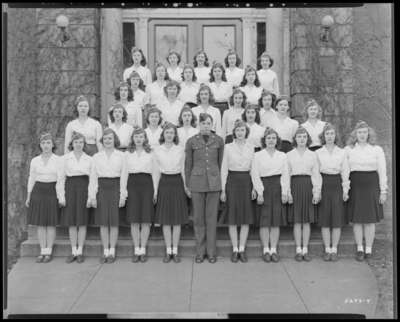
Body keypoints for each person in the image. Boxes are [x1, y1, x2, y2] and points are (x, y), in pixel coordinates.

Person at [344, 121, 387, 261]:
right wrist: (346, 189)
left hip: (371, 186)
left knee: (369, 220)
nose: (362, 135)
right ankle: (359, 249)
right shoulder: (348, 149)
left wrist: (383, 191)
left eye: (364, 132)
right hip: (355, 185)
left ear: (369, 133)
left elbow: (382, 171)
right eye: (359, 132)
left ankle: (368, 249)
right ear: (355, 134)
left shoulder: (376, 149)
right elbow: (345, 172)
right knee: (357, 220)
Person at [185, 113, 224, 264]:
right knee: (199, 220)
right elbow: (188, 165)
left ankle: (212, 252)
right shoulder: (191, 141)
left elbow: (222, 164)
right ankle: (200, 253)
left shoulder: (219, 141)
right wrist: (188, 185)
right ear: (199, 125)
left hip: (214, 183)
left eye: (208, 123)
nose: (206, 126)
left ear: (212, 124)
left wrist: (222, 185)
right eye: (203, 123)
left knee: (211, 219)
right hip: (197, 183)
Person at [219, 119, 256, 263]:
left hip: (246, 180)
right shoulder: (228, 147)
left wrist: (254, 187)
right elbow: (224, 169)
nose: (240, 133)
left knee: (245, 217)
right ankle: (235, 249)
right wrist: (223, 189)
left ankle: (242, 249)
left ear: (246, 132)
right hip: (232, 181)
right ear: (234, 132)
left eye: (242, 130)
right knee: (233, 218)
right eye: (238, 130)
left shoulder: (251, 147)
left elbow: (254, 168)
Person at [252, 127, 289, 263]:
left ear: (277, 140)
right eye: (269, 138)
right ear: (264, 140)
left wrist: (284, 192)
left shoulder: (282, 155)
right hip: (264, 187)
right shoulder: (258, 155)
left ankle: (273, 250)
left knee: (275, 222)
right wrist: (260, 192)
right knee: (265, 221)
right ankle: (266, 249)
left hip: (277, 187)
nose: (271, 140)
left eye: (274, 138)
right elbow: (255, 174)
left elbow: (285, 174)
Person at [121, 126, 158, 263]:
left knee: (146, 219)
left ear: (145, 138)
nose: (138, 139)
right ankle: (136, 249)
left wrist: (155, 190)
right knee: (135, 219)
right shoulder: (127, 153)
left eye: (141, 136)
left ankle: (143, 249)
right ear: (132, 139)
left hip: (147, 184)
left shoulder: (151, 153)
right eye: (136, 137)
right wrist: (123, 193)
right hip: (133, 184)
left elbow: (155, 172)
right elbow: (124, 173)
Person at [153, 122, 189, 263]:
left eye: (171, 133)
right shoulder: (157, 150)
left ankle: (176, 250)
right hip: (164, 183)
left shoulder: (180, 150)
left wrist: (186, 187)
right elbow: (155, 172)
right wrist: (156, 191)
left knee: (177, 220)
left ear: (175, 135)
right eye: (166, 132)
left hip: (177, 183)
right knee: (166, 220)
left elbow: (183, 171)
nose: (169, 135)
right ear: (163, 135)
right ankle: (168, 251)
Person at [89, 128, 125, 264]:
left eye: (110, 138)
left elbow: (124, 177)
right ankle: (105, 250)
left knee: (114, 222)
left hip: (115, 187)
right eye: (105, 139)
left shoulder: (122, 156)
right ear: (102, 141)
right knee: (104, 222)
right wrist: (92, 196)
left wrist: (123, 195)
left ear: (114, 140)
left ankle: (112, 251)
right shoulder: (96, 157)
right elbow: (93, 177)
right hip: (101, 189)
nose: (107, 141)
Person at [286, 126, 322, 262]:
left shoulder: (313, 155)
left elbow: (316, 174)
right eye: (299, 136)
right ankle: (298, 250)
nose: (302, 139)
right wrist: (288, 192)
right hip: (294, 185)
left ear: (308, 139)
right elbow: (286, 175)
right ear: (295, 139)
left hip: (308, 185)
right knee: (297, 221)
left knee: (306, 220)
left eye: (304, 137)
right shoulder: (289, 155)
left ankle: (305, 249)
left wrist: (316, 192)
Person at [315, 123, 350, 262]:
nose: (329, 136)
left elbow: (345, 172)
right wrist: (317, 192)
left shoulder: (342, 152)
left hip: (337, 185)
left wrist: (345, 190)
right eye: (327, 134)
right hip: (324, 184)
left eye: (332, 134)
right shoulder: (318, 152)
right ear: (323, 136)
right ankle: (327, 249)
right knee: (325, 219)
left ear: (336, 136)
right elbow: (316, 173)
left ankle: (334, 250)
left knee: (336, 219)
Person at [57, 131, 92, 263]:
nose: (78, 144)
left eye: (81, 142)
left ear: (84, 144)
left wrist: (90, 197)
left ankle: (80, 251)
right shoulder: (64, 159)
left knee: (82, 221)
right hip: (70, 187)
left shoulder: (90, 159)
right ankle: (73, 251)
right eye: (76, 142)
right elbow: (60, 178)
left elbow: (92, 179)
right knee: (72, 222)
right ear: (72, 144)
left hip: (84, 186)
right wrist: (61, 196)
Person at [26, 133, 61, 263]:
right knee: (41, 224)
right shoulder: (35, 161)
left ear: (53, 144)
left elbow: (61, 178)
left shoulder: (58, 160)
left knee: (51, 223)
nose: (46, 145)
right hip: (38, 191)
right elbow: (32, 178)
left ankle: (49, 251)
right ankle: (42, 250)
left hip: (53, 190)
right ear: (40, 145)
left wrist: (60, 196)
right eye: (43, 143)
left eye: (48, 143)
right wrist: (29, 196)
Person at [177, 106, 200, 227]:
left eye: (188, 115)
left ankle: (192, 217)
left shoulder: (196, 131)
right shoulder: (177, 131)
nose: (186, 118)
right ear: (181, 117)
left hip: (193, 160)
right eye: (184, 115)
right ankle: (182, 217)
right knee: (182, 184)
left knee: (192, 185)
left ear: (192, 117)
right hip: (180, 159)